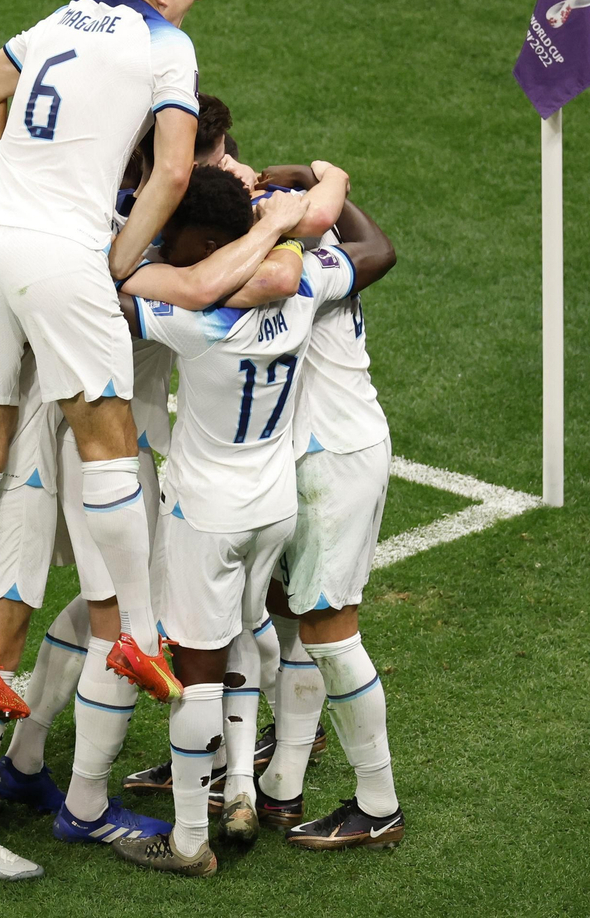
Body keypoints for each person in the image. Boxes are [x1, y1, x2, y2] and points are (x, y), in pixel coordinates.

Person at [0, 0, 201, 881]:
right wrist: (113, 259)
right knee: (108, 435)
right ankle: (138, 632)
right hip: (59, 253)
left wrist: (0, 186)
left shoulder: (59, 19)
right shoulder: (166, 46)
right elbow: (174, 169)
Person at [107, 163, 359, 878]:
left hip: (207, 514)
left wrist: (184, 271)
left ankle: (190, 839)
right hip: (273, 504)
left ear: (213, 242)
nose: (168, 246)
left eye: (179, 237)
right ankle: (242, 788)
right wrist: (306, 206)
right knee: (247, 635)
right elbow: (364, 256)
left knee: (197, 670)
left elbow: (114, 290)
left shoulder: (193, 318)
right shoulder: (304, 286)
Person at [256, 197, 403, 849]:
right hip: (317, 451)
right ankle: (283, 780)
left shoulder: (290, 271)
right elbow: (376, 245)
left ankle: (379, 804)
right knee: (283, 604)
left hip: (331, 459)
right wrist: (320, 182)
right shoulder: (326, 254)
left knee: (328, 627)